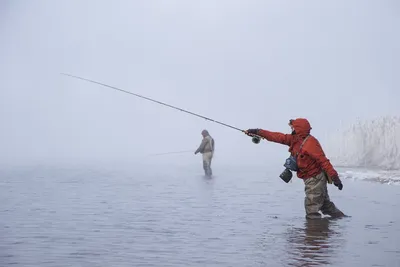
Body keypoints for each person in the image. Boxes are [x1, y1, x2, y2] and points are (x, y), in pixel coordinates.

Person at [245, 118, 346, 219]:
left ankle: (313, 233)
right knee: (325, 206)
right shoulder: (294, 139)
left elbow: (324, 161)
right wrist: (257, 131)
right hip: (312, 178)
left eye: (293, 127)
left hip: (315, 179)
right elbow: (275, 136)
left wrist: (335, 178)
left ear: (298, 128)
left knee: (312, 211)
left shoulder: (311, 143)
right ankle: (343, 221)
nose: (291, 128)